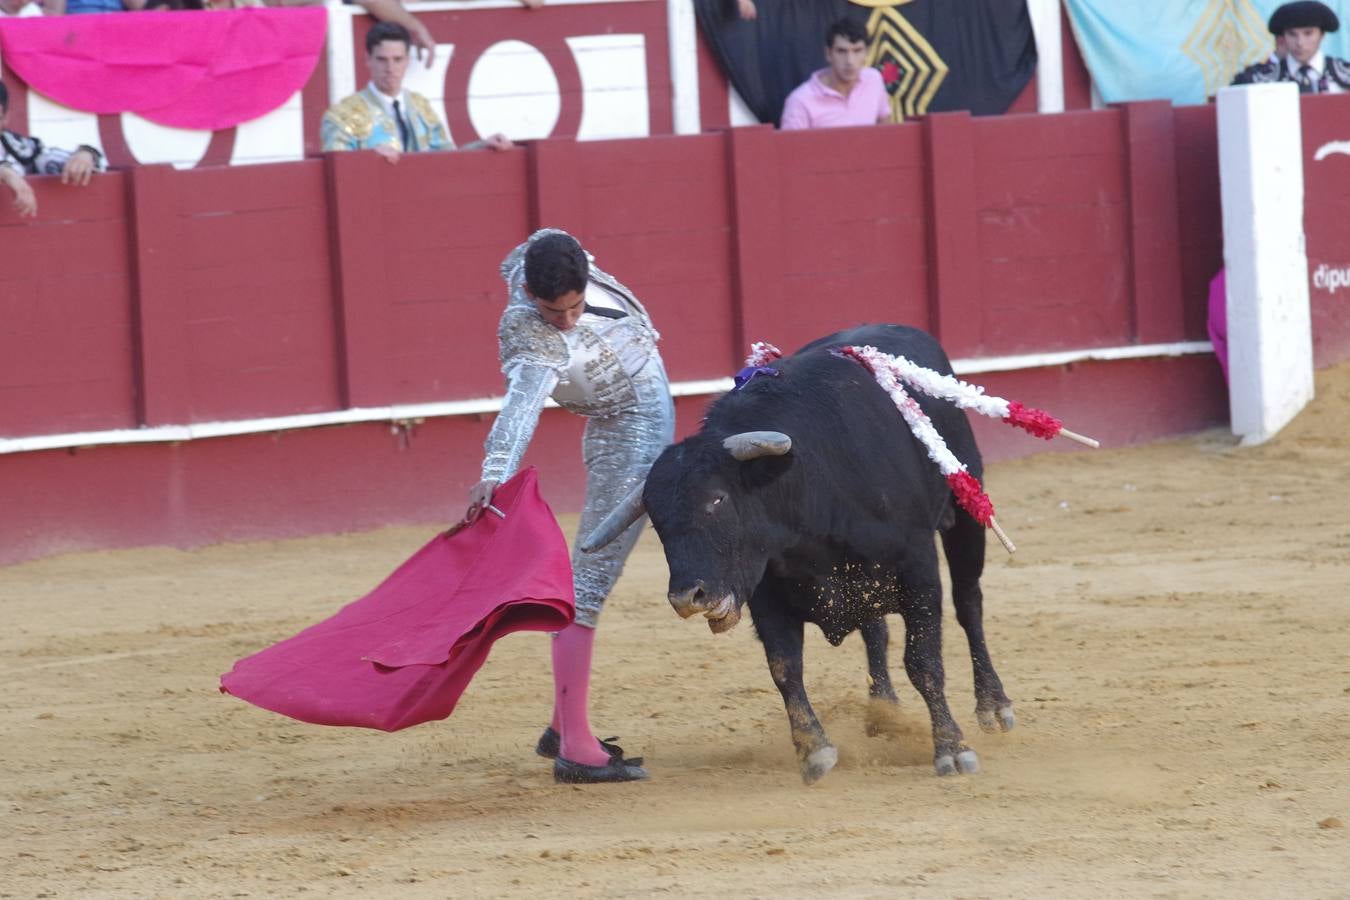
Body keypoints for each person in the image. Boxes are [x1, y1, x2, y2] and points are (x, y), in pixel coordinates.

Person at [463, 229, 674, 784]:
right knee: (587, 588)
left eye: (577, 306)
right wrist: (493, 474)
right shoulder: (532, 336)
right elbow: (521, 407)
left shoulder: (549, 254)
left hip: (627, 426)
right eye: (555, 311)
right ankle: (576, 749)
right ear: (531, 294)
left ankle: (562, 724)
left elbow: (549, 239)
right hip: (631, 441)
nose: (569, 321)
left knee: (587, 578)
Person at [321, 21, 513, 161]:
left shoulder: (421, 106)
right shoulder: (342, 116)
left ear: (407, 61)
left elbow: (446, 159)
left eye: (397, 59)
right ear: (367, 59)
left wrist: (481, 146)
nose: (390, 68)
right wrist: (369, 159)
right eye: (382, 59)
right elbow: (339, 172)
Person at [0, 83, 104, 219]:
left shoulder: (21, 148)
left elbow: (49, 160)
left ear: (6, 117)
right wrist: (7, 174)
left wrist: (85, 154)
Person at [779, 18, 891, 131]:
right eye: (841, 51)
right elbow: (790, 147)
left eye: (857, 51)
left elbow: (885, 123)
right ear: (828, 54)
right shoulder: (800, 101)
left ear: (867, 53)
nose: (849, 61)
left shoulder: (873, 80)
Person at [1231, 1, 1349, 93]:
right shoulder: (1256, 79)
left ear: (1321, 35)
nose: (1300, 42)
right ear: (1283, 37)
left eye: (1308, 33)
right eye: (1292, 34)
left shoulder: (1345, 75)